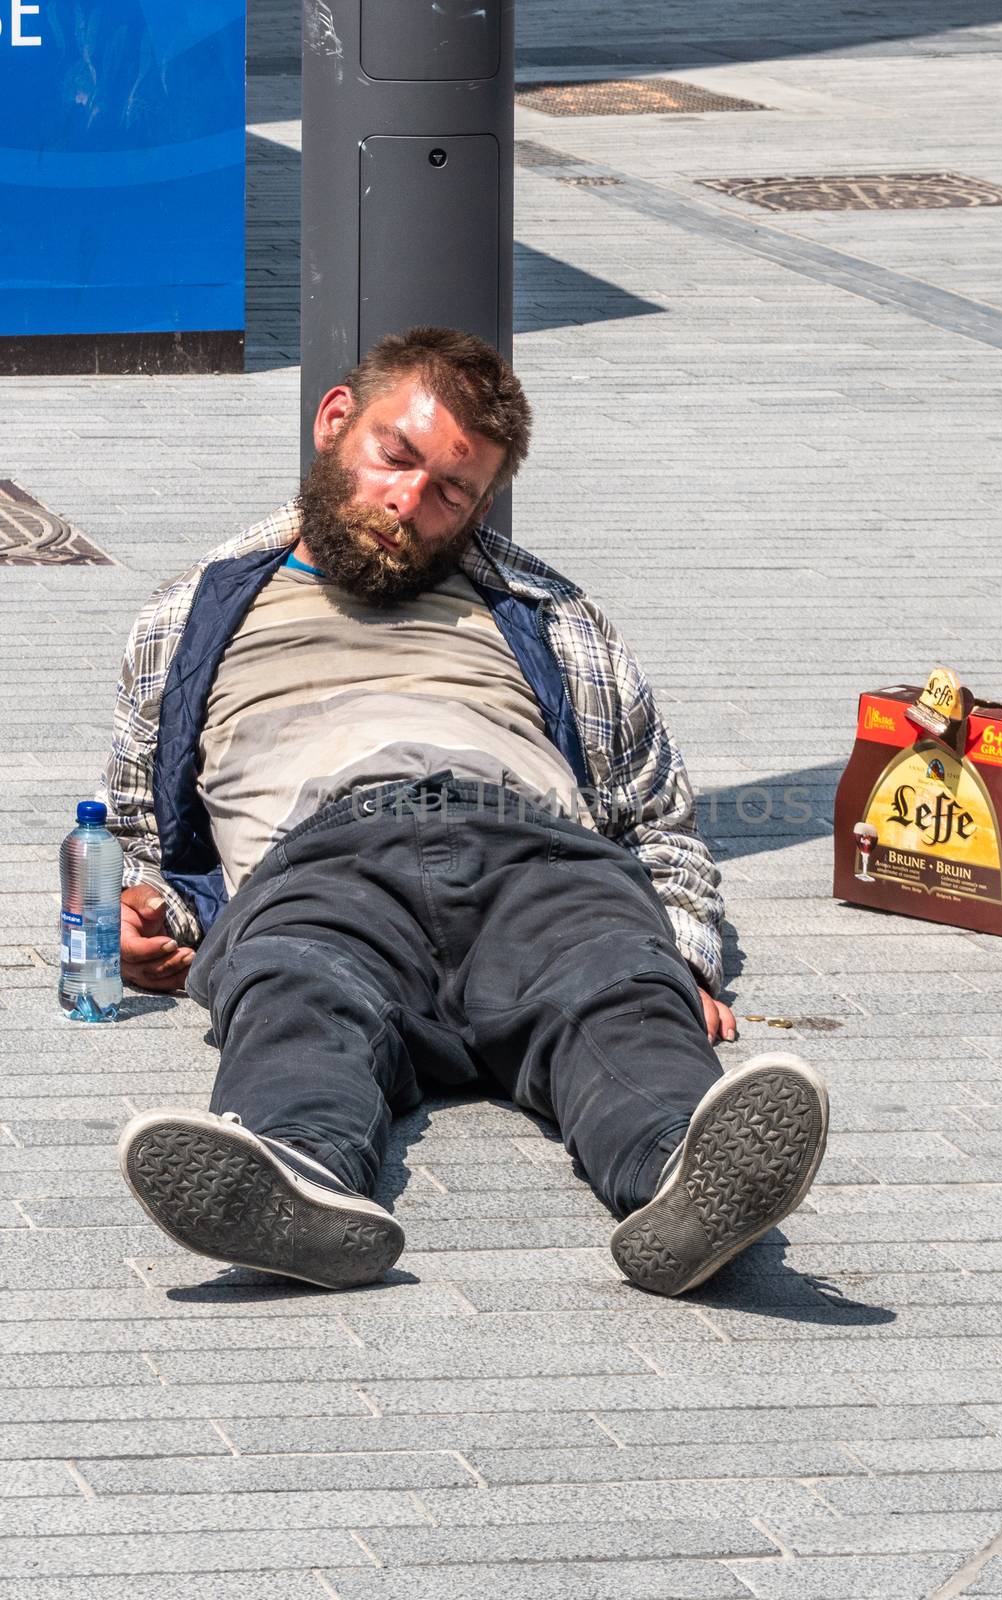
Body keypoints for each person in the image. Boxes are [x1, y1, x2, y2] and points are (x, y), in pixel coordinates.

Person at [106, 326, 828, 1297]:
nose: (408, 500)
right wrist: (152, 922)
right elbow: (148, 838)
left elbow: (659, 821)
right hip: (321, 862)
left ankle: (682, 1178)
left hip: (534, 850)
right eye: (393, 457)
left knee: (614, 980)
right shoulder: (188, 615)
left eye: (449, 490)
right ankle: (297, 1173)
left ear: (481, 502)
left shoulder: (550, 617)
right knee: (294, 987)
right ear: (334, 423)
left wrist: (680, 952)